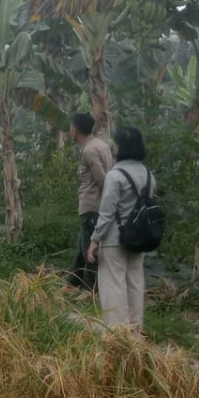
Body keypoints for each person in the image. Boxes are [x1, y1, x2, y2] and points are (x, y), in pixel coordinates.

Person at [87, 126, 149, 332]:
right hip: (138, 238)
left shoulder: (115, 175)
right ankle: (135, 332)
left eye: (115, 144)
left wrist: (95, 239)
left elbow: (106, 213)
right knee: (135, 284)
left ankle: (117, 336)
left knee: (113, 285)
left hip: (114, 240)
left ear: (121, 147)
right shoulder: (147, 174)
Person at [68, 113, 112, 292]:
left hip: (92, 205)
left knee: (90, 251)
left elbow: (102, 178)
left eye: (71, 127)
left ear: (75, 130)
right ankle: (72, 283)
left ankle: (89, 290)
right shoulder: (101, 144)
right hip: (95, 205)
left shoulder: (89, 151)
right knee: (82, 245)